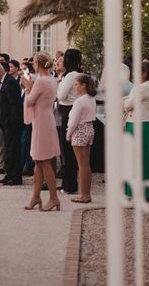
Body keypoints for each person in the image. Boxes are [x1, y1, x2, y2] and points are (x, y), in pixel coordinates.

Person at [21, 52, 60, 211]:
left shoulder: (41, 82)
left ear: (38, 64)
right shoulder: (52, 79)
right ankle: (36, 197)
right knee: (38, 160)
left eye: (34, 62)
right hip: (45, 119)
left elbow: (29, 101)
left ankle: (54, 198)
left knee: (44, 161)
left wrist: (27, 87)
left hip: (42, 122)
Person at [123, 60, 149, 201]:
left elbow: (129, 104)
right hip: (135, 123)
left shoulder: (144, 88)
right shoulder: (140, 87)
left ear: (144, 73)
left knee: (141, 158)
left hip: (141, 124)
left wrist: (124, 101)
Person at [0, 60, 24, 186]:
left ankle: (16, 177)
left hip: (12, 124)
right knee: (8, 150)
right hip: (5, 123)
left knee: (14, 150)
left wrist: (10, 122)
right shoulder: (2, 82)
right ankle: (9, 174)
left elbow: (15, 106)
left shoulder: (10, 83)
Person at [66, 74, 98, 204]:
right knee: (86, 164)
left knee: (82, 164)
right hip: (89, 128)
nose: (75, 87)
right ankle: (86, 193)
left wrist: (68, 134)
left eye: (76, 84)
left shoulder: (80, 101)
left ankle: (84, 195)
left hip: (80, 130)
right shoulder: (91, 99)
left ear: (83, 85)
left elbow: (73, 121)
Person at [56, 48, 83, 194]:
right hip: (71, 109)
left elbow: (60, 95)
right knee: (69, 150)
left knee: (67, 149)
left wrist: (58, 85)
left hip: (68, 110)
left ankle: (69, 184)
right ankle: (68, 182)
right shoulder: (78, 74)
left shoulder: (71, 75)